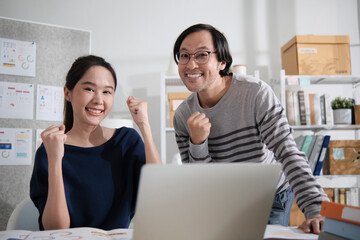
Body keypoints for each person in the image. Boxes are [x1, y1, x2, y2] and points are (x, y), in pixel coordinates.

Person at [172, 24, 329, 234]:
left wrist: (316, 208)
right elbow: (201, 185)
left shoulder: (255, 93)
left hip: (269, 196)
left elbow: (287, 152)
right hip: (224, 201)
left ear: (222, 62)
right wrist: (198, 144)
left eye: (202, 54)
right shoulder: (183, 115)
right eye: (184, 55)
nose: (191, 64)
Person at [30, 55, 161, 231]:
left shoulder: (126, 141)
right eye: (89, 89)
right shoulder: (50, 149)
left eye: (107, 91)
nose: (99, 100)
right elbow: (56, 230)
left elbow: (159, 192)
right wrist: (55, 159)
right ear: (67, 93)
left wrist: (144, 126)